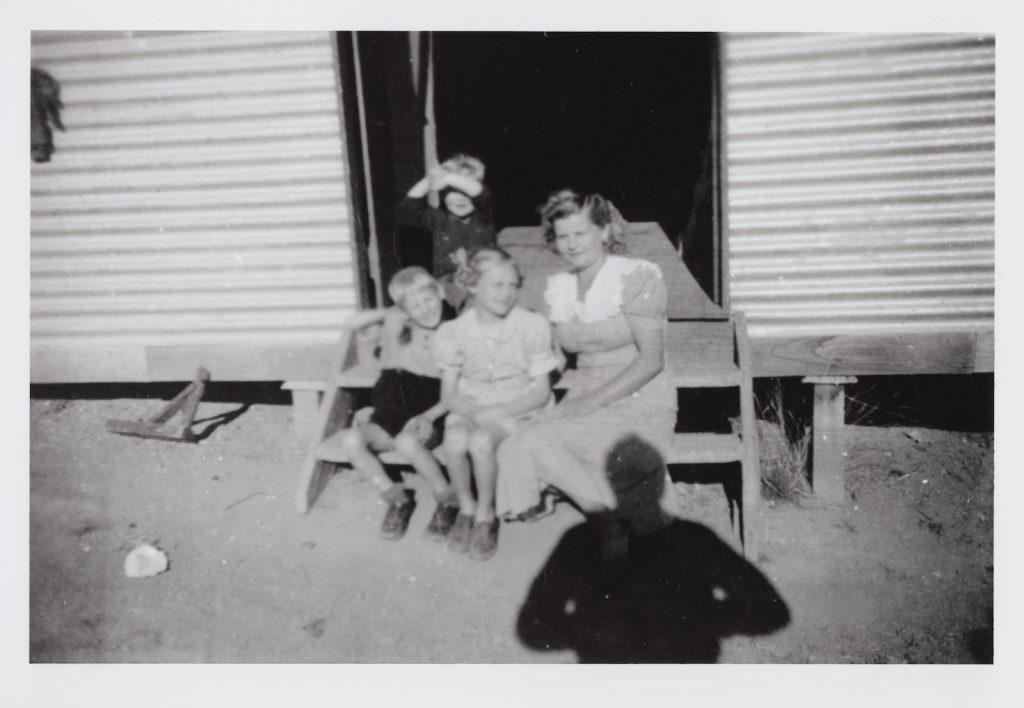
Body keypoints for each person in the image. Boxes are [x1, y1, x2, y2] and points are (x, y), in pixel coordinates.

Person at [496, 189, 680, 573]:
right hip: (585, 390)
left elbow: (652, 361)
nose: (571, 244)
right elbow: (556, 356)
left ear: (605, 231)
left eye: (580, 233)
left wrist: (585, 405)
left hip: (640, 394)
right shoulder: (558, 287)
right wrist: (520, 387)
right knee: (520, 439)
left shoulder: (636, 276)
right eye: (562, 236)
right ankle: (606, 521)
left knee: (555, 442)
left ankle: (613, 528)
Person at [432, 248, 562, 560]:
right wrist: (476, 412)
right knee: (454, 439)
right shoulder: (454, 331)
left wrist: (496, 413)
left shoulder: (531, 325)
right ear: (473, 286)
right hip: (471, 404)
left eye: (512, 285)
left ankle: (485, 514)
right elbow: (449, 396)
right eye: (497, 285)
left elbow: (540, 393)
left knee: (480, 440)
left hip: (518, 405)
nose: (506, 293)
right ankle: (466, 508)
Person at [324, 267, 458, 541]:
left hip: (426, 418)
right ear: (404, 312)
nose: (425, 309)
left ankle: (446, 499)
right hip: (387, 418)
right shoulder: (399, 326)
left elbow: (452, 394)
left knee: (406, 443)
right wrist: (391, 311)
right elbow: (351, 322)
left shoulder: (452, 332)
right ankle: (397, 499)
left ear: (440, 294)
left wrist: (429, 417)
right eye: (415, 306)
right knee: (350, 440)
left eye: (428, 299)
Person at [395, 154, 497, 307]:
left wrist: (449, 178)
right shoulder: (439, 219)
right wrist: (432, 178)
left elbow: (483, 195)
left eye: (466, 191)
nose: (461, 198)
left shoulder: (484, 217)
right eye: (453, 191)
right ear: (443, 194)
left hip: (482, 281)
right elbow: (410, 205)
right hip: (447, 284)